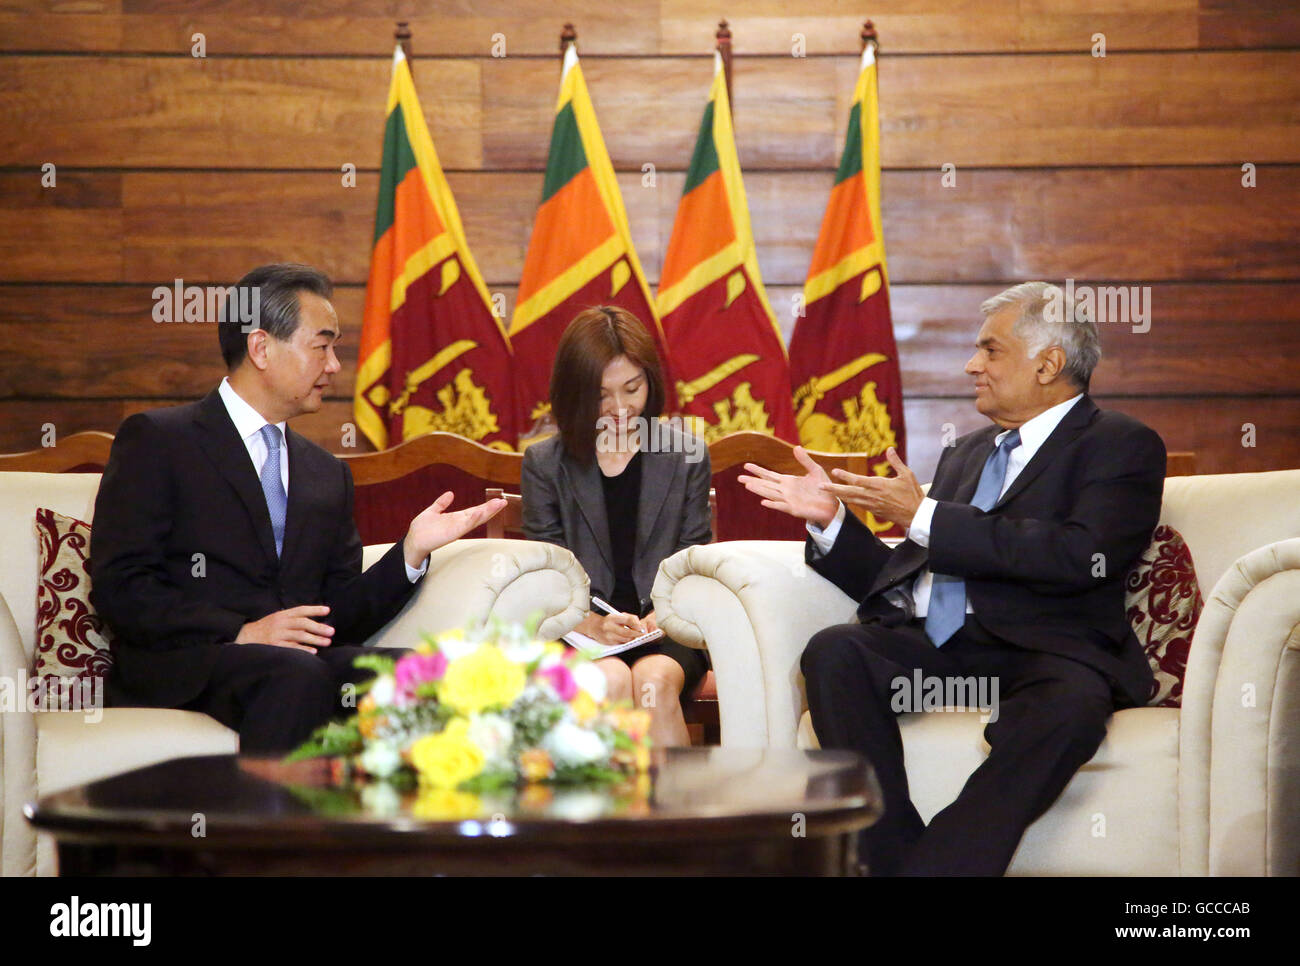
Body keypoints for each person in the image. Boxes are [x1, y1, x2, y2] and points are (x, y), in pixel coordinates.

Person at [739, 281, 1166, 875]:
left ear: (1049, 363)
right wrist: (833, 522)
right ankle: (888, 860)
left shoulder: (1120, 444)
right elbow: (904, 576)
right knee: (837, 652)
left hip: (1051, 652)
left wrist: (924, 515)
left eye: (990, 351)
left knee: (1070, 709)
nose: (972, 366)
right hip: (951, 652)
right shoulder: (966, 452)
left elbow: (1081, 555)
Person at [90, 263, 504, 752]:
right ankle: (271, 830)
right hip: (187, 661)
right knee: (296, 675)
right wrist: (241, 631)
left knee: (431, 675)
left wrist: (410, 552)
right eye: (322, 346)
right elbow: (122, 585)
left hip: (291, 665)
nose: (334, 366)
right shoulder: (160, 440)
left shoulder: (326, 472)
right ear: (262, 347)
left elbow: (336, 615)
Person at [521, 306, 712, 747]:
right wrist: (589, 623)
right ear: (576, 393)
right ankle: (610, 815)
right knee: (607, 679)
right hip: (578, 629)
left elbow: (692, 560)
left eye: (632, 389)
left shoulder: (687, 455)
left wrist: (659, 617)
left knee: (655, 682)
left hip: (666, 623)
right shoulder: (545, 464)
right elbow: (549, 572)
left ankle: (678, 815)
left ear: (651, 382)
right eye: (602, 395)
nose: (621, 409)